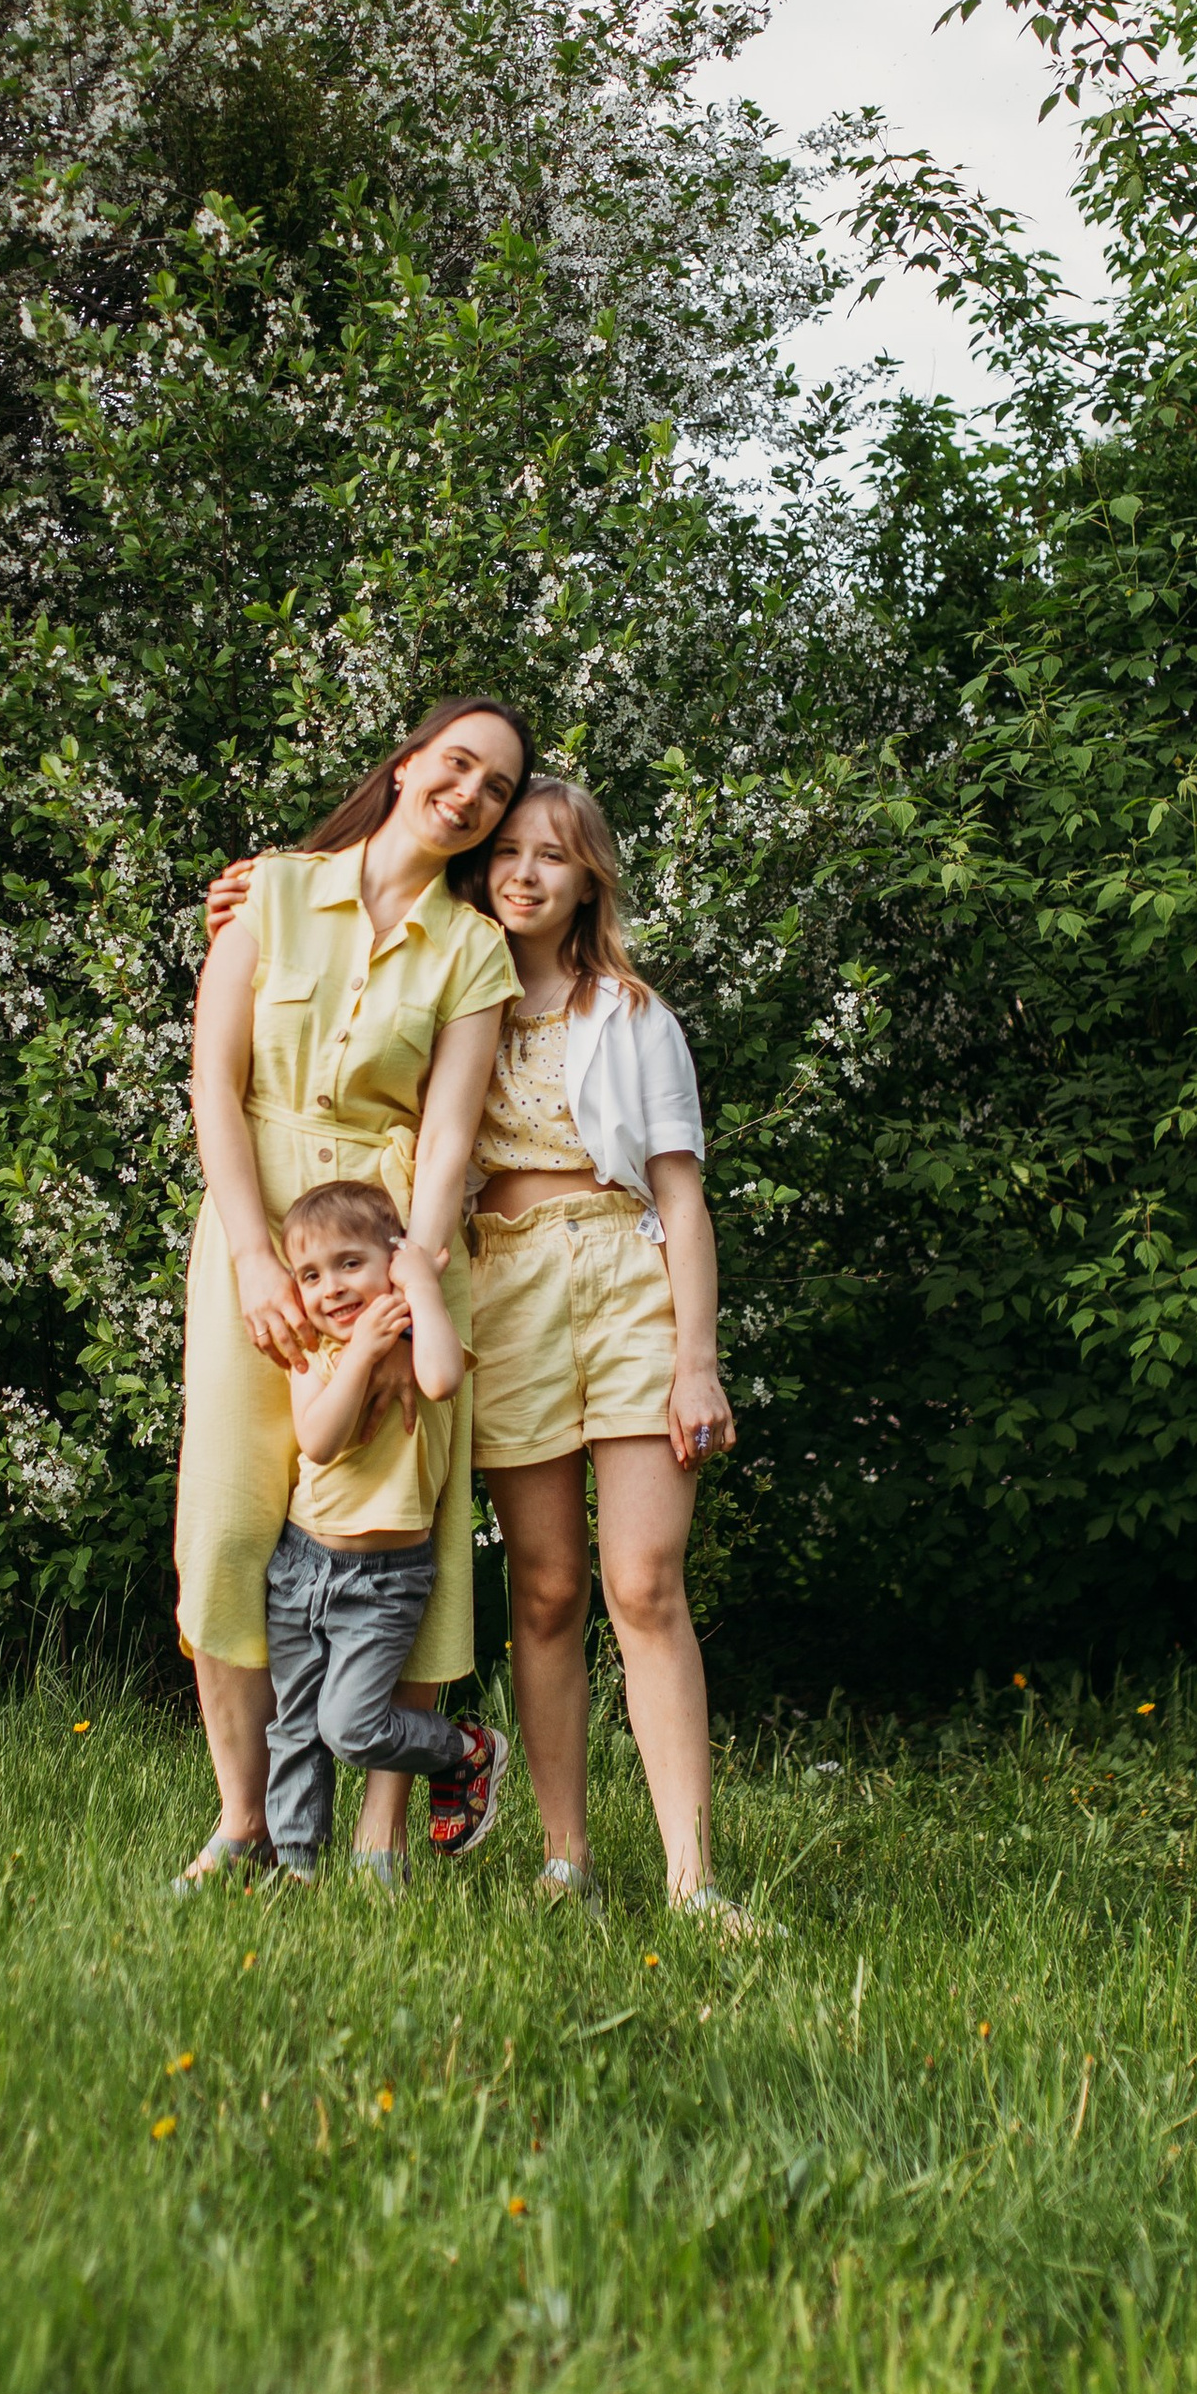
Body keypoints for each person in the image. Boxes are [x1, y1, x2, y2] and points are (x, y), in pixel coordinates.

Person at [171, 698, 528, 1895]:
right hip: (255, 1233)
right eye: (458, 764)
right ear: (407, 762)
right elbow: (214, 1086)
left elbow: (447, 1135)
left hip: (398, 1255)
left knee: (396, 1528)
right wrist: (253, 1257)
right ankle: (245, 1824)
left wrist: (405, 1294)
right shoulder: (270, 894)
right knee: (227, 1528)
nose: (470, 793)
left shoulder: (470, 949)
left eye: (494, 787)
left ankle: (378, 1836)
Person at [461, 780, 748, 1924]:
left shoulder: (633, 1014)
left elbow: (680, 1196)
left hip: (626, 1281)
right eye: (508, 853)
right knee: (544, 1590)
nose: (526, 872)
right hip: (504, 1289)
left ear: (589, 880)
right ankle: (565, 1856)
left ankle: (692, 1880)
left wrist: (697, 1357)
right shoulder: (451, 999)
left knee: (642, 1583)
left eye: (553, 857)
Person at [262, 1181, 514, 1877]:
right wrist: (361, 1357)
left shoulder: (419, 1341)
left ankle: (463, 1750)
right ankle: (295, 1863)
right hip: (301, 1563)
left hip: (383, 1583)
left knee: (351, 1728)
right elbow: (318, 1440)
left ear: (392, 1263)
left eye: (351, 1264)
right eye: (311, 1274)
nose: (331, 1288)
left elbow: (440, 1379)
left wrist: (417, 1294)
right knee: (293, 1726)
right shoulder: (311, 1353)